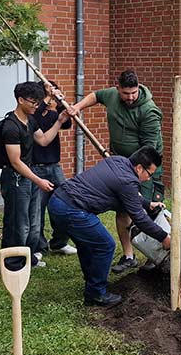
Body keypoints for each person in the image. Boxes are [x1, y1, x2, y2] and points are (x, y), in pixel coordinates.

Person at [47, 146, 171, 307]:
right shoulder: (128, 180)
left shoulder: (118, 161)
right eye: (149, 174)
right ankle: (96, 294)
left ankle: (92, 284)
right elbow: (139, 218)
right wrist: (163, 237)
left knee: (88, 244)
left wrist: (148, 204)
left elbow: (129, 195)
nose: (148, 179)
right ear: (139, 167)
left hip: (58, 201)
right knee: (105, 245)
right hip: (72, 209)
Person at [68, 70, 164, 274]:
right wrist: (77, 107)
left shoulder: (149, 111)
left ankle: (154, 254)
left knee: (142, 211)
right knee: (122, 211)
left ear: (139, 88)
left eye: (134, 93)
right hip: (121, 165)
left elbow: (149, 151)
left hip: (142, 168)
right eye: (126, 93)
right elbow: (96, 96)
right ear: (117, 87)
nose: (130, 97)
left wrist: (127, 168)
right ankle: (129, 256)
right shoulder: (112, 95)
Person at [1, 81, 69, 271]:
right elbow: (15, 161)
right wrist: (38, 180)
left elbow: (45, 140)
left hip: (28, 177)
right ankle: (13, 263)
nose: (36, 106)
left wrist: (60, 120)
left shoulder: (30, 121)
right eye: (33, 102)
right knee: (19, 223)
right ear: (20, 100)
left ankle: (30, 258)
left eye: (38, 102)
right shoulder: (11, 126)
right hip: (15, 179)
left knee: (33, 223)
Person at [31, 81, 77, 257]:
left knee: (66, 203)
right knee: (37, 210)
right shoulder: (30, 116)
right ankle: (38, 247)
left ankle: (59, 243)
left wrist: (60, 103)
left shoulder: (52, 114)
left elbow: (65, 124)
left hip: (54, 167)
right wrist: (47, 97)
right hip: (36, 168)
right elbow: (35, 120)